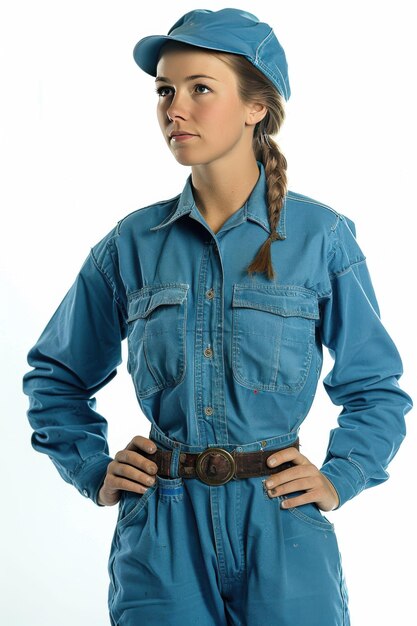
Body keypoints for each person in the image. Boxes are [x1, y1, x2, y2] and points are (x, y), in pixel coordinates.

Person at [23, 8, 412, 626]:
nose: (174, 108)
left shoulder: (322, 238)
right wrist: (94, 469)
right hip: (161, 535)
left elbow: (374, 387)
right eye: (164, 91)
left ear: (257, 106)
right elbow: (53, 378)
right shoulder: (130, 245)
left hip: (282, 527)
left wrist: (343, 475)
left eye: (200, 88)